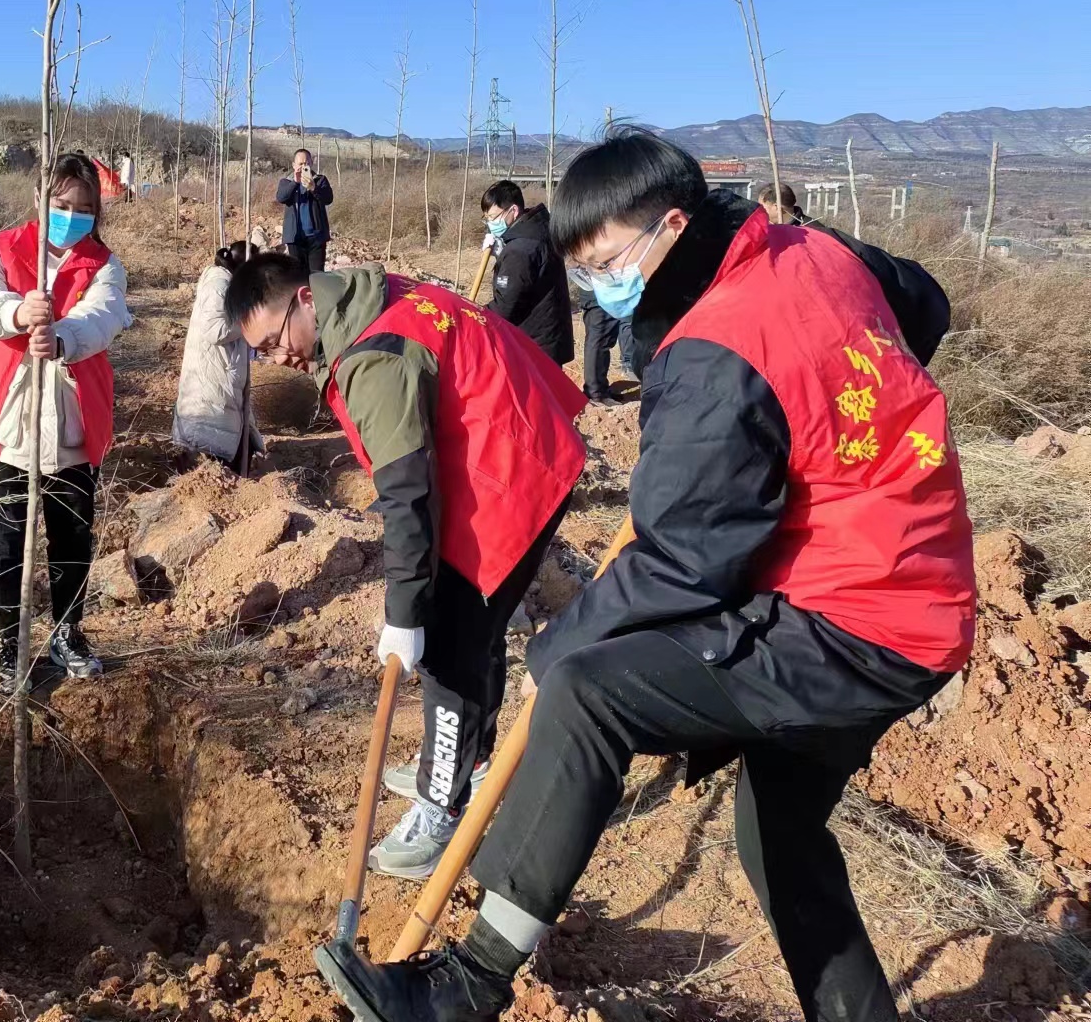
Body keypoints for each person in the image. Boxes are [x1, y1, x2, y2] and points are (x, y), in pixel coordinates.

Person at [319, 129, 973, 1022]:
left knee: (590, 690)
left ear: (674, 224)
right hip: (921, 582)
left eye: (610, 262)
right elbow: (924, 305)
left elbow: (683, 560)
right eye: (583, 269)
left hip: (855, 619)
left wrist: (560, 646)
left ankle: (465, 988)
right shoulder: (808, 249)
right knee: (778, 833)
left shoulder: (716, 351)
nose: (600, 288)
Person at [227, 254, 586, 879]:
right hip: (507, 444)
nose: (275, 358)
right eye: (259, 352)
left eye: (274, 341)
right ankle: (461, 760)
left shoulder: (373, 356)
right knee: (472, 632)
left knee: (448, 645)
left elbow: (408, 495)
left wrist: (404, 613)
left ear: (306, 300)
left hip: (508, 476)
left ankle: (441, 807)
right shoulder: (365, 297)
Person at [0, 152, 131, 689]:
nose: (72, 215)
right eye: (61, 204)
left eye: (83, 207)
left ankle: (67, 632)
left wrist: (62, 338)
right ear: (39, 199)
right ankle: (10, 643)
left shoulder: (104, 264)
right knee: (6, 538)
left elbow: (104, 316)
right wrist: (16, 312)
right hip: (8, 425)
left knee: (72, 535)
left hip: (74, 424)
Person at [171, 242, 264, 467]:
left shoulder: (227, 282)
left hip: (223, 372)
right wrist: (251, 318)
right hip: (214, 374)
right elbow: (214, 329)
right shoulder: (219, 283)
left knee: (235, 438)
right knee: (212, 444)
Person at [480, 180, 572, 366]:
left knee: (536, 393)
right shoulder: (540, 229)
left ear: (513, 211)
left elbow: (506, 306)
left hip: (533, 342)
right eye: (486, 218)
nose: (490, 223)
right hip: (550, 334)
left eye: (493, 217)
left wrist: (478, 315)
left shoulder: (520, 249)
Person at [275, 148, 334, 273]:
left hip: (316, 237)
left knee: (317, 276)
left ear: (311, 163)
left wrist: (314, 188)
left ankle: (316, 293)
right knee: (297, 275)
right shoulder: (286, 182)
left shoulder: (320, 180)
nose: (303, 166)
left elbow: (328, 199)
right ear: (294, 165)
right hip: (295, 238)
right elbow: (281, 197)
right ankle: (300, 293)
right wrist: (295, 183)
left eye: (306, 163)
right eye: (300, 164)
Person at [576, 286, 635, 406]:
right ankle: (595, 394)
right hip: (600, 291)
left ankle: (601, 389)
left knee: (603, 340)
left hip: (602, 291)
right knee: (599, 340)